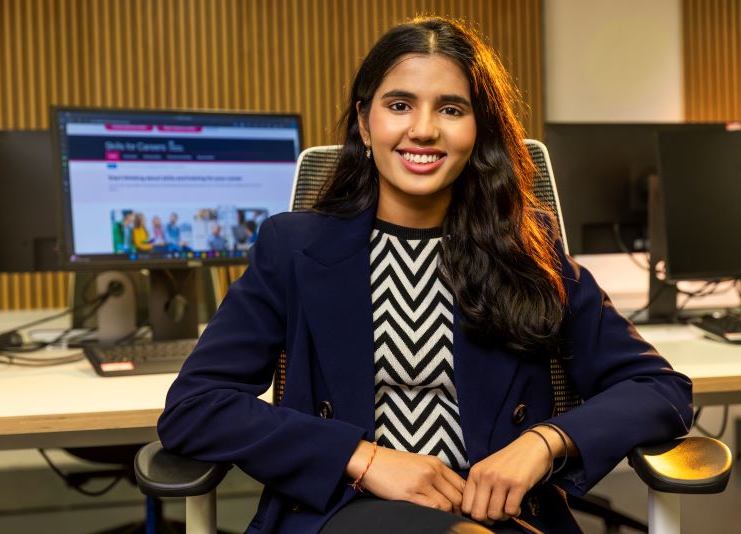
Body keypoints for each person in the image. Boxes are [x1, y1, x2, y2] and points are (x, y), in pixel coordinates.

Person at [158, 16, 692, 534]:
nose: (424, 129)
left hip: (498, 515)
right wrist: (362, 457)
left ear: (478, 129)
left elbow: (660, 389)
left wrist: (544, 442)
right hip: (343, 509)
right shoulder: (292, 248)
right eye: (400, 105)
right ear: (366, 123)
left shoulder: (530, 249)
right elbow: (195, 407)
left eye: (452, 109)